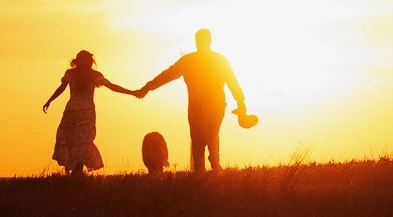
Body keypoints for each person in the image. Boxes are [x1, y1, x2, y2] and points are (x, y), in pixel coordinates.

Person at [137, 29, 250, 173]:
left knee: (201, 139)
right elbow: (232, 82)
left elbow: (167, 75)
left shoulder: (191, 60)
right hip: (211, 105)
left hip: (202, 107)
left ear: (199, 42)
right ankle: (212, 165)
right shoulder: (217, 60)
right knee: (210, 135)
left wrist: (147, 88)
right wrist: (240, 101)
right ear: (209, 41)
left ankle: (205, 168)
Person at [41, 49, 137, 175]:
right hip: (86, 111)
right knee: (83, 142)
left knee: (71, 140)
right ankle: (78, 170)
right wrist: (132, 92)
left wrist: (49, 100)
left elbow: (61, 88)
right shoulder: (95, 75)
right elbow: (112, 87)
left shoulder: (70, 73)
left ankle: (75, 170)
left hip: (71, 111)